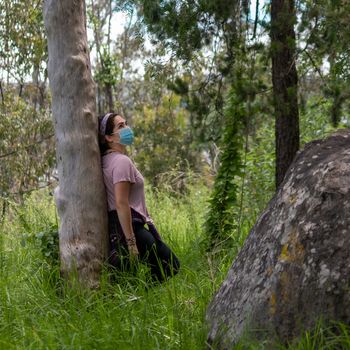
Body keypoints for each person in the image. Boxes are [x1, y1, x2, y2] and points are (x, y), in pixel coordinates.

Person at [98, 112, 180, 282]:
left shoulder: (106, 160)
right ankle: (144, 295)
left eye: (126, 124)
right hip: (130, 227)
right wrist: (131, 242)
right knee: (171, 265)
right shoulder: (121, 162)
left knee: (129, 278)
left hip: (117, 227)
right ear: (109, 137)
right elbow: (121, 203)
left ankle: (140, 297)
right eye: (121, 126)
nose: (127, 128)